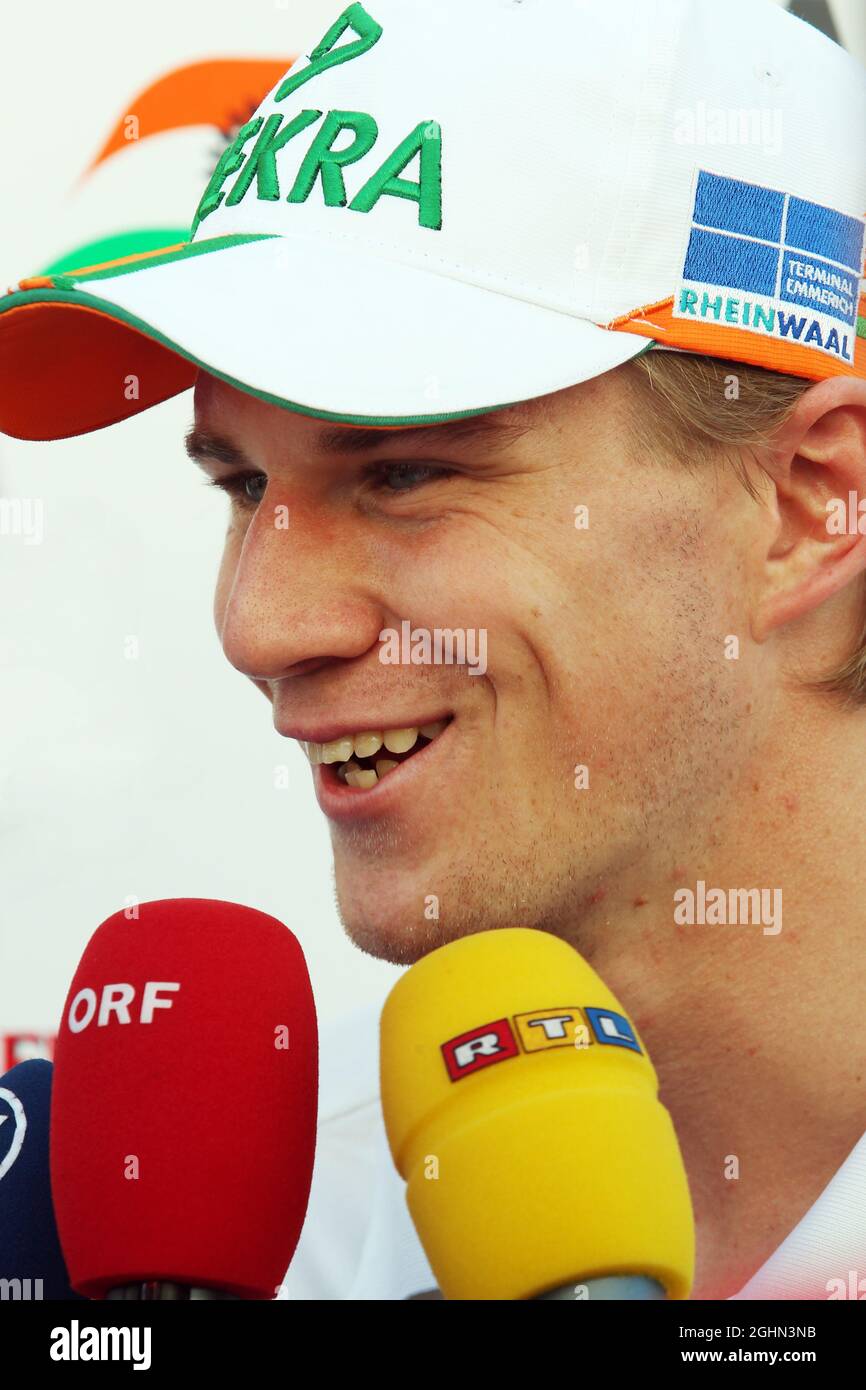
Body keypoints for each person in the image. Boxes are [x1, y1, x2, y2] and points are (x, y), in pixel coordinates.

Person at [1, 0, 864, 1300]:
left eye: (402, 470)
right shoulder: (203, 1234)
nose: (259, 625)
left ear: (809, 505)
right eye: (239, 483)